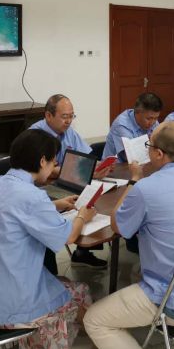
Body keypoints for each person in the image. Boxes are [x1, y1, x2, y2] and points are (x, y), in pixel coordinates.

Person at [84, 122, 174, 349]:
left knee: (94, 320)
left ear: (159, 153)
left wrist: (134, 180)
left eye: (149, 146)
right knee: (138, 271)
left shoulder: (146, 188)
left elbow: (118, 226)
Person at [0, 130, 95, 349]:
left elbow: (14, 211)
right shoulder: (32, 196)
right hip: (12, 307)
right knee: (80, 292)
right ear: (42, 161)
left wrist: (54, 205)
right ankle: (96, 338)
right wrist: (83, 215)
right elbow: (69, 237)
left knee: (63, 283)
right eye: (54, 162)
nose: (54, 167)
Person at [30, 93, 107, 269]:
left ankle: (82, 253)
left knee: (93, 198)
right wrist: (71, 171)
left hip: (66, 181)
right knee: (75, 206)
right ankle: (49, 269)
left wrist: (97, 167)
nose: (69, 121)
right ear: (48, 115)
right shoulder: (36, 135)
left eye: (72, 116)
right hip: (42, 187)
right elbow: (39, 170)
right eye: (64, 116)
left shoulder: (68, 131)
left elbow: (84, 159)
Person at [103, 92, 162, 160]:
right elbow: (131, 157)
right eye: (148, 118)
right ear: (137, 112)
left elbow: (161, 145)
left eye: (156, 118)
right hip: (117, 165)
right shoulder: (122, 125)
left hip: (145, 162)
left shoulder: (153, 120)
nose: (152, 122)